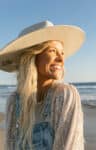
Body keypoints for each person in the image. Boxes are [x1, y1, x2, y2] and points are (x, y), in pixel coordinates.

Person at [0, 20, 85, 150]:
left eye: (62, 53)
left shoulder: (64, 95)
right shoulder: (14, 102)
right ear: (32, 57)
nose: (61, 59)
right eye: (52, 51)